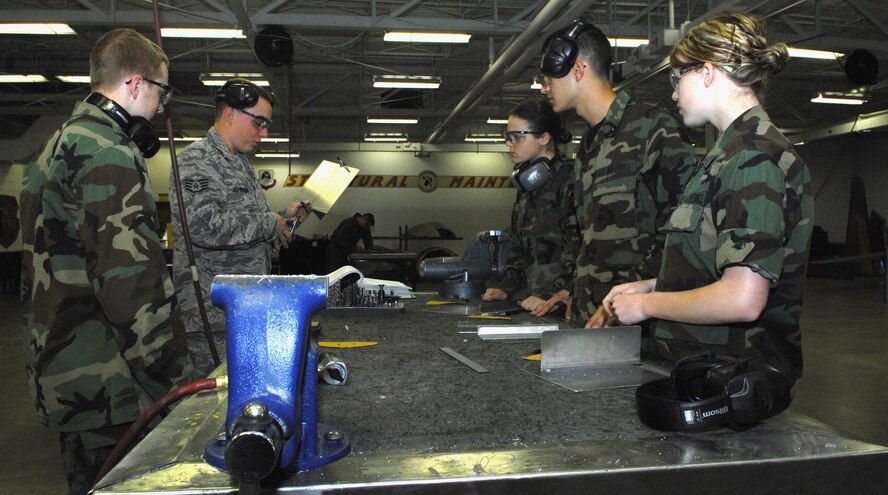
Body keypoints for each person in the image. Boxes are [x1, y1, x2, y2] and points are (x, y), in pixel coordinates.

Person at [596, 11, 814, 388]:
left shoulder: (753, 157)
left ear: (708, 72)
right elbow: (710, 264)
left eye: (677, 78)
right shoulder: (728, 153)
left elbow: (742, 299)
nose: (674, 92)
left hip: (732, 380)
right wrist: (651, 286)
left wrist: (647, 305)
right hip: (705, 372)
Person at [19, 28, 195, 494]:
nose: (160, 105)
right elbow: (132, 288)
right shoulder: (110, 153)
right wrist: (178, 382)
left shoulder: (56, 145)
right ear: (136, 85)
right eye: (161, 91)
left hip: (64, 371)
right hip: (110, 385)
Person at [532, 20, 697, 328]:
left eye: (547, 78)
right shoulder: (588, 146)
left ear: (578, 70)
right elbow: (589, 239)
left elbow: (680, 233)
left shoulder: (653, 129)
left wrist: (629, 297)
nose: (543, 88)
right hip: (593, 318)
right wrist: (572, 290)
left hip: (643, 324)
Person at [169, 78, 310, 374]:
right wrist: (269, 223)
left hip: (241, 308)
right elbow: (204, 227)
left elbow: (245, 223)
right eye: (259, 122)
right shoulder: (198, 160)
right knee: (213, 402)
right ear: (230, 114)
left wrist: (283, 216)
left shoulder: (239, 163)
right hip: (212, 312)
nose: (264, 132)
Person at [482, 98, 580, 313]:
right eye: (508, 137)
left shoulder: (572, 178)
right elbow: (519, 246)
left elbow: (580, 249)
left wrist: (551, 294)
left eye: (517, 137)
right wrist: (506, 288)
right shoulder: (528, 183)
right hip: (532, 303)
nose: (509, 143)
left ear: (544, 137)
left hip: (563, 304)